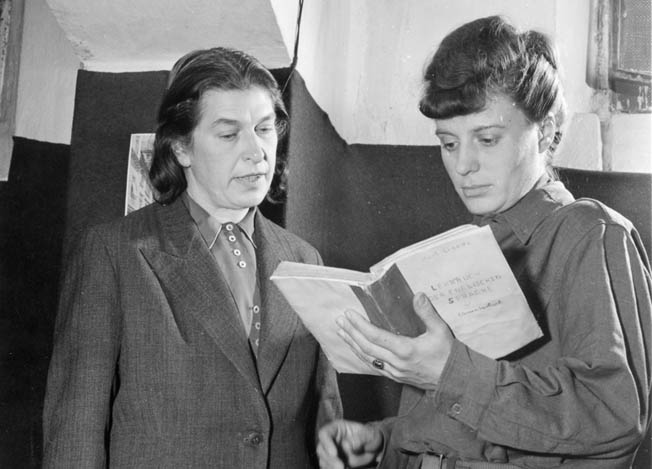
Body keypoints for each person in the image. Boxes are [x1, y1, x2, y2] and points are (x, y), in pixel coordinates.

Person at [318, 16, 651, 469]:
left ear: (548, 130)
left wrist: (448, 371)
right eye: (449, 144)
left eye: (487, 139)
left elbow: (613, 415)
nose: (464, 165)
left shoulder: (589, 233)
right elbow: (463, 423)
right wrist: (382, 440)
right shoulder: (468, 249)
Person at [43, 47, 342, 468]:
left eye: (264, 129)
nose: (257, 152)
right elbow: (75, 431)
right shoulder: (113, 254)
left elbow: (325, 417)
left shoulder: (305, 259)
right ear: (181, 148)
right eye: (228, 134)